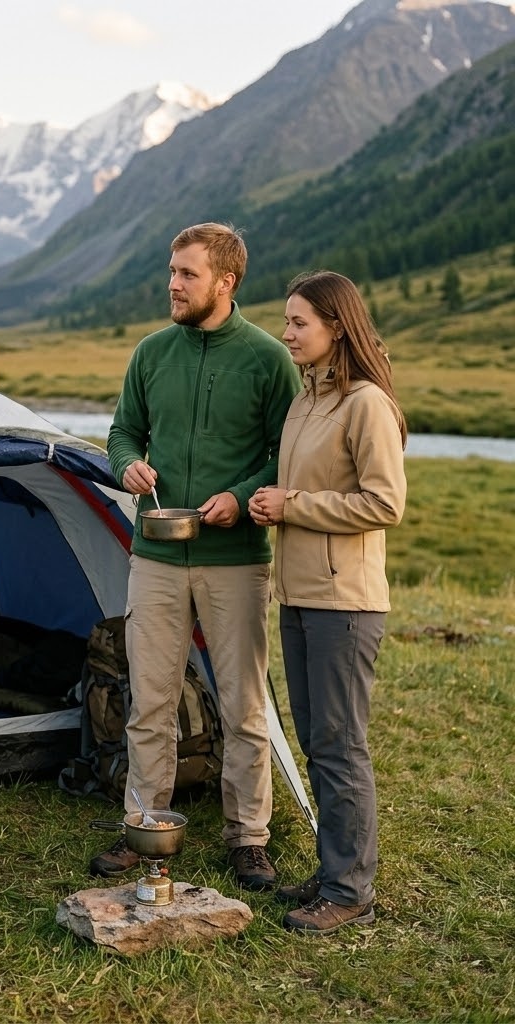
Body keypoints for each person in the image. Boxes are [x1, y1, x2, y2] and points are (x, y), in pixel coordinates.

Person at [90, 222, 302, 891]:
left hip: (236, 557)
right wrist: (126, 465)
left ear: (225, 281)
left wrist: (240, 498)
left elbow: (285, 454)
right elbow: (124, 430)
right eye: (171, 271)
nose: (173, 284)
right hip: (155, 555)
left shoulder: (270, 360)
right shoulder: (152, 353)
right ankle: (145, 825)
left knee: (242, 704)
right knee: (150, 700)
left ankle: (248, 839)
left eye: (186, 274)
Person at [247, 270, 407, 935]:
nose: (286, 334)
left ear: (336, 326)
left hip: (346, 602)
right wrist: (269, 503)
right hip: (301, 595)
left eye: (298, 323)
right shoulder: (306, 401)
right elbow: (301, 488)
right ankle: (334, 869)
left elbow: (385, 503)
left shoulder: (366, 403)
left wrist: (296, 506)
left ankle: (349, 890)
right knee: (319, 741)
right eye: (285, 322)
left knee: (341, 746)